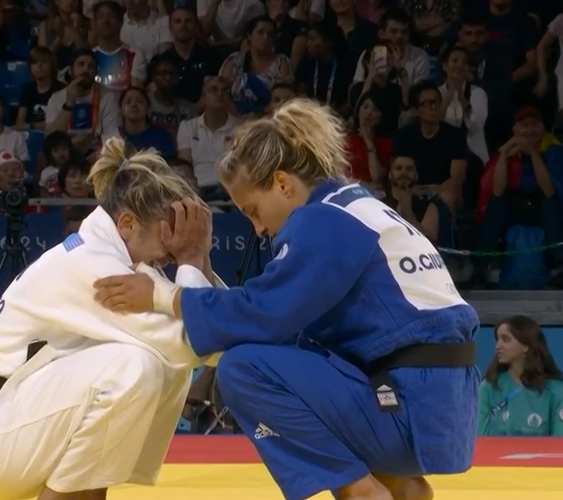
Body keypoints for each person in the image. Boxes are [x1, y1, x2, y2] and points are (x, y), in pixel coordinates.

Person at [93, 99, 480, 500]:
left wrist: (162, 295)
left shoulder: (324, 219)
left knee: (243, 370)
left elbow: (266, 316)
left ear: (282, 183)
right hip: (437, 408)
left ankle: (359, 491)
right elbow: (278, 320)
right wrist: (205, 285)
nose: (259, 228)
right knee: (289, 353)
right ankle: (402, 486)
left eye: (254, 210)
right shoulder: (358, 205)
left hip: (406, 407)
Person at [0, 137, 221, 500]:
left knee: (155, 364)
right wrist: (190, 259)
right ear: (127, 223)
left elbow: (217, 339)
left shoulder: (126, 260)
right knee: (135, 366)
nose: (172, 250)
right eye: (170, 234)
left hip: (14, 424)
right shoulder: (93, 267)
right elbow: (193, 343)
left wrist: (200, 261)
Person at [477, 315, 563, 437]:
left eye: (505, 339)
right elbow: (479, 440)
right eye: (497, 340)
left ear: (525, 346)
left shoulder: (556, 392)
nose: (498, 346)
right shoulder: (489, 387)